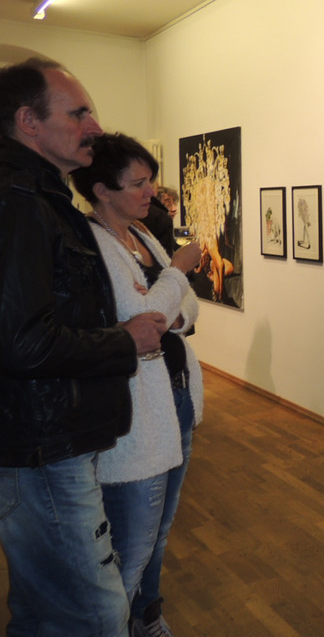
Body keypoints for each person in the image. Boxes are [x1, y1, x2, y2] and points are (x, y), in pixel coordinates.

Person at [0, 57, 167, 637]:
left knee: (45, 609)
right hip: (42, 448)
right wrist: (124, 340)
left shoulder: (42, 201)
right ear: (29, 122)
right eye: (78, 113)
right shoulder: (18, 203)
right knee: (96, 616)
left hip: (51, 440)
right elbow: (21, 341)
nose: (93, 126)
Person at [71, 134, 204, 637]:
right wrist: (177, 272)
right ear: (102, 190)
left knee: (161, 533)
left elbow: (181, 309)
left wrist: (171, 312)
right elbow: (141, 317)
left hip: (177, 401)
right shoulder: (93, 244)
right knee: (130, 546)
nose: (152, 192)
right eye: (138, 183)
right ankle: (118, 623)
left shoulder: (142, 235)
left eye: (150, 180)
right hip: (137, 421)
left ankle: (147, 616)